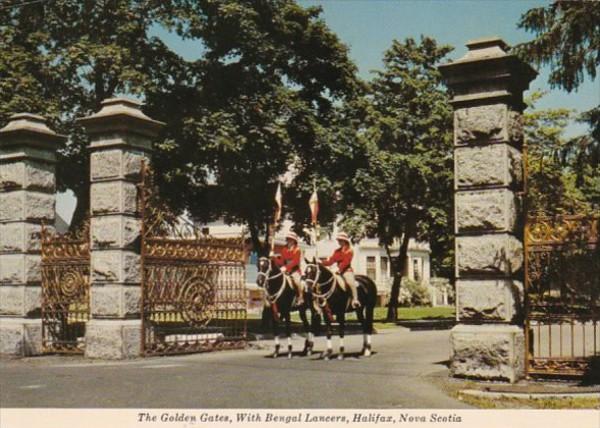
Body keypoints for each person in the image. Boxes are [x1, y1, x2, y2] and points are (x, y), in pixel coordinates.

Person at [321, 232, 360, 308]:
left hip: (346, 271)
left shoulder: (349, 250)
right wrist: (321, 263)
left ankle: (355, 300)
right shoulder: (337, 251)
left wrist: (339, 269)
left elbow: (346, 262)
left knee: (350, 282)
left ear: (345, 241)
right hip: (337, 271)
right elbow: (331, 261)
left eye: (341, 240)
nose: (339, 242)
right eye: (338, 240)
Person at [272, 232, 304, 305]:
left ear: (294, 241)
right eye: (288, 239)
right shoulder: (284, 249)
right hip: (285, 271)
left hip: (294, 271)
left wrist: (285, 267)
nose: (289, 241)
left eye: (291, 239)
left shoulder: (297, 250)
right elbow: (282, 261)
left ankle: (300, 297)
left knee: (297, 282)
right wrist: (274, 258)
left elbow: (295, 262)